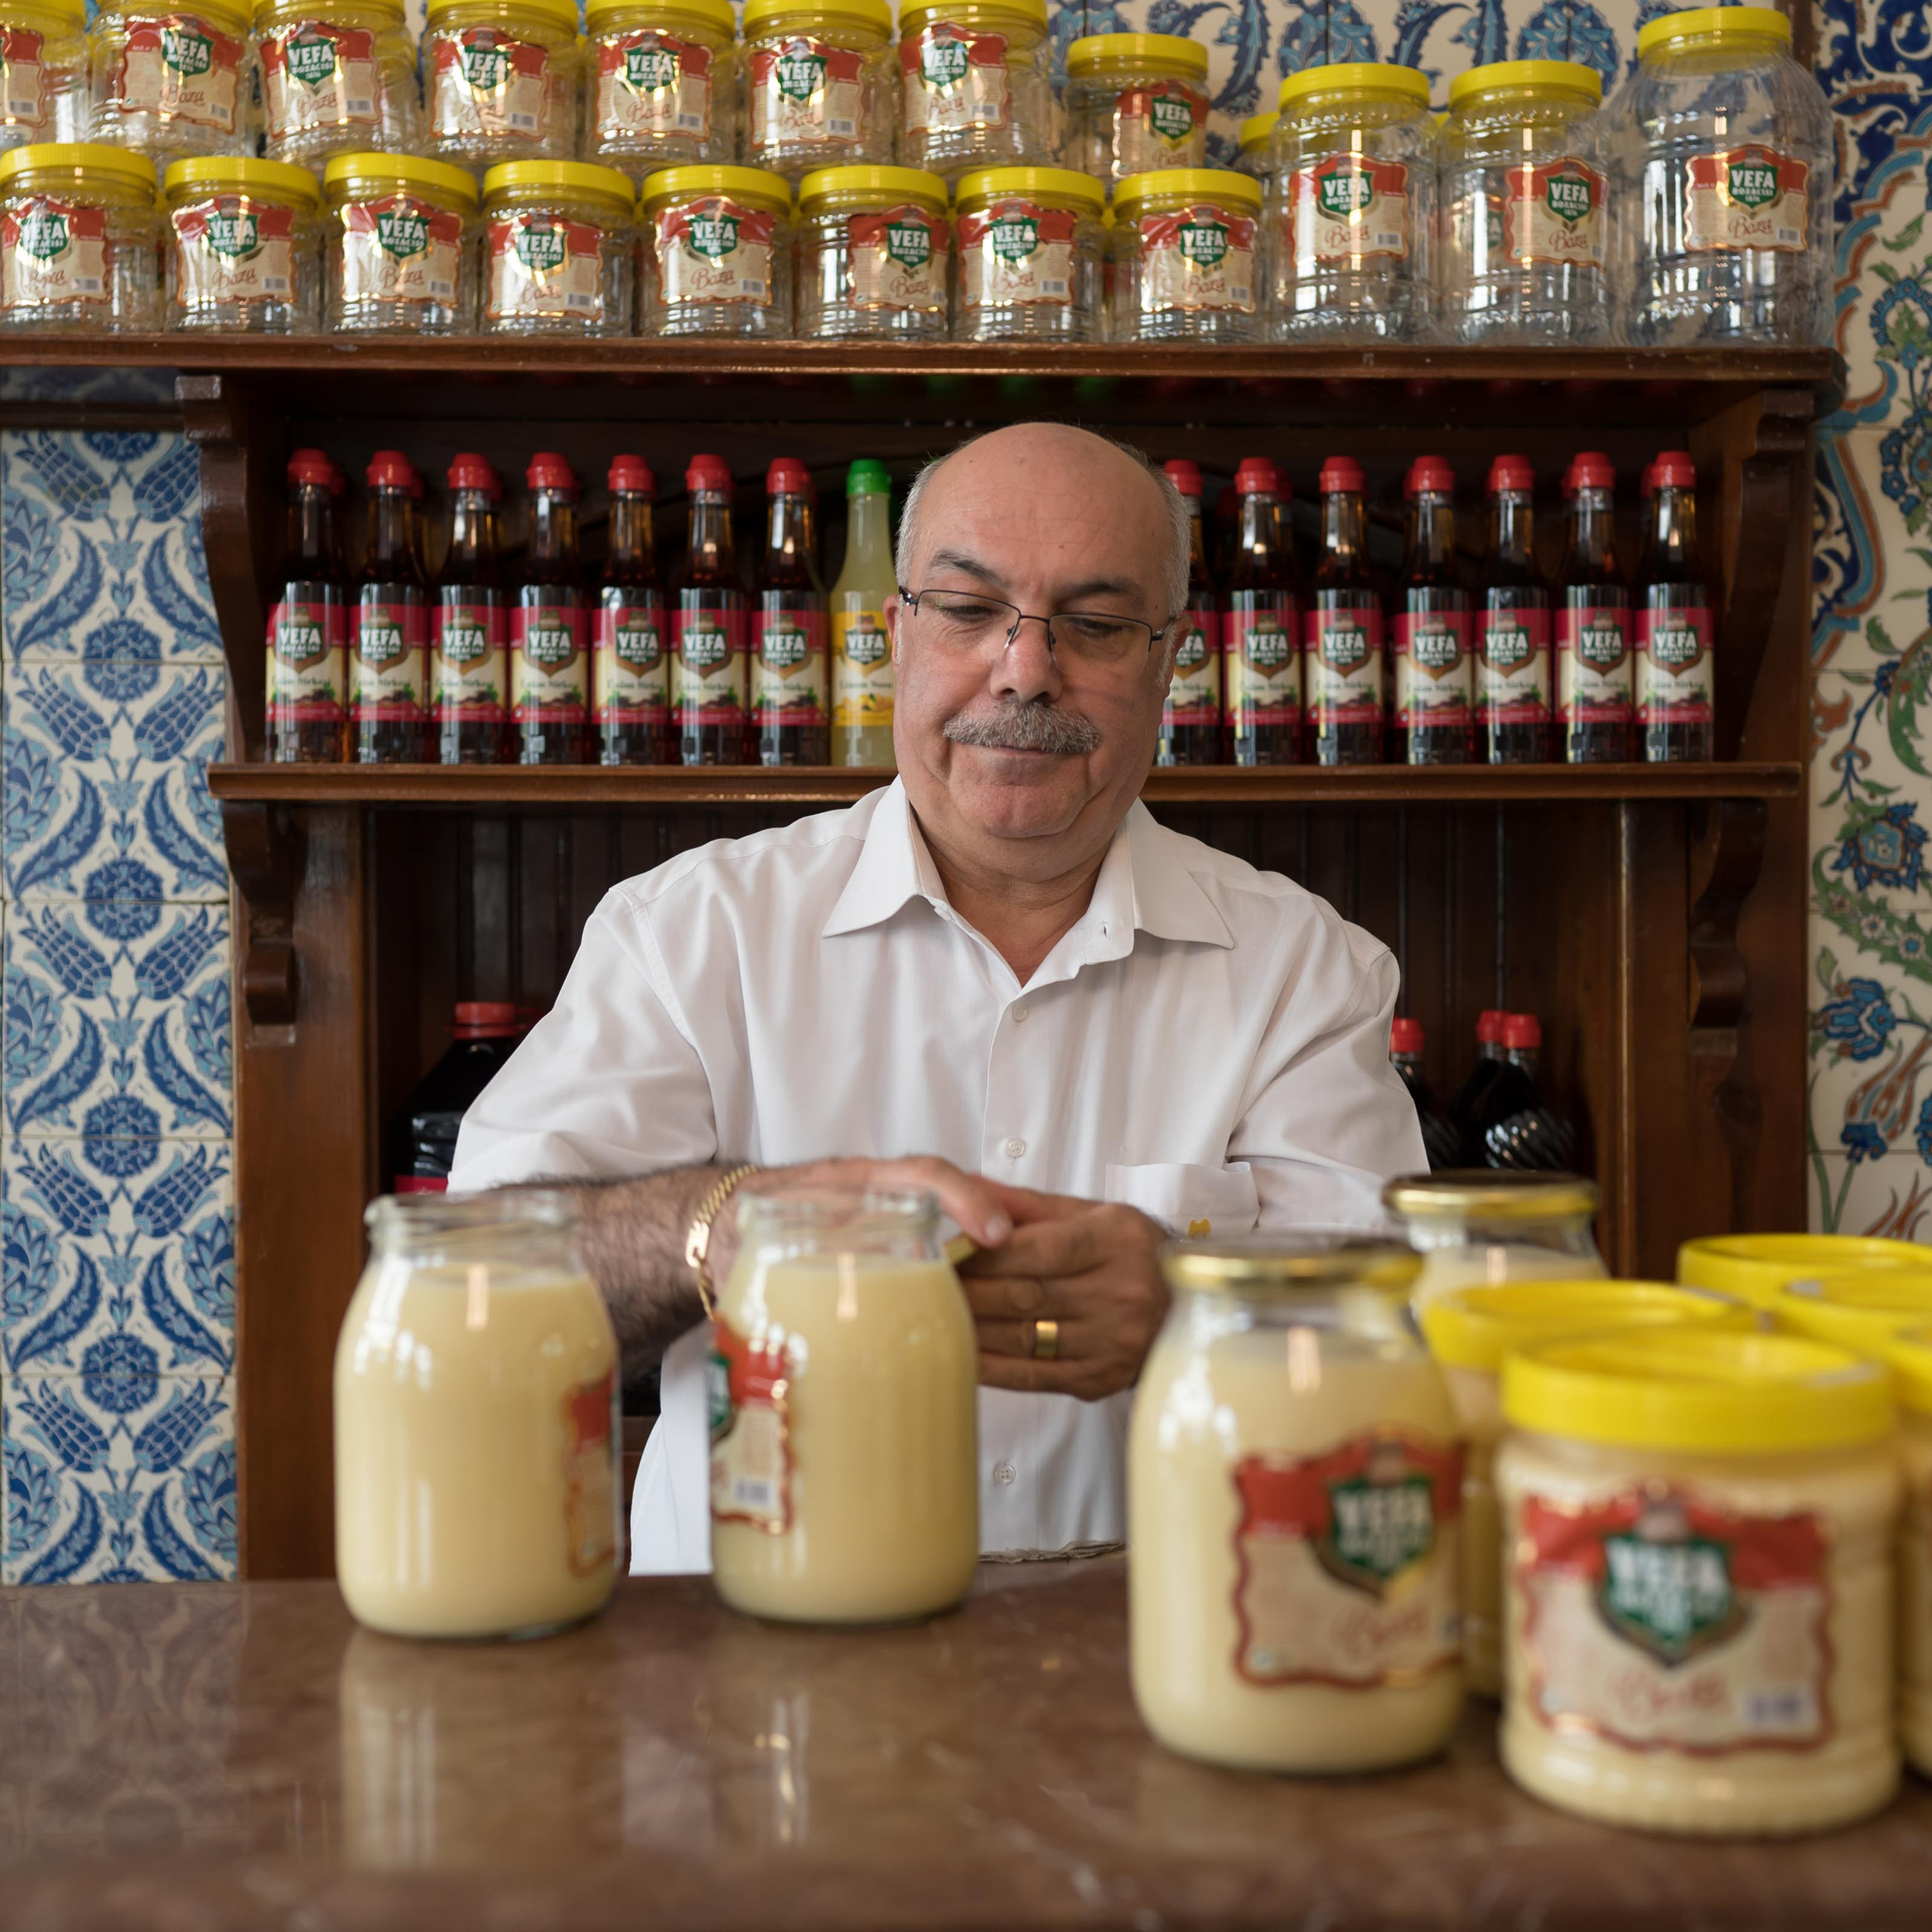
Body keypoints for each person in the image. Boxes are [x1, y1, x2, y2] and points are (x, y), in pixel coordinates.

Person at [451, 423, 1426, 1572]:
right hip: (744, 1683)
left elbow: (1406, 1364)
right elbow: (474, 1284)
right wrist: (737, 1226)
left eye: (1099, 624)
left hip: (1157, 1667)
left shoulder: (1306, 973)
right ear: (896, 630)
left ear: (1171, 660)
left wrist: (1193, 1311)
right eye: (968, 611)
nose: (1025, 669)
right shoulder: (690, 932)